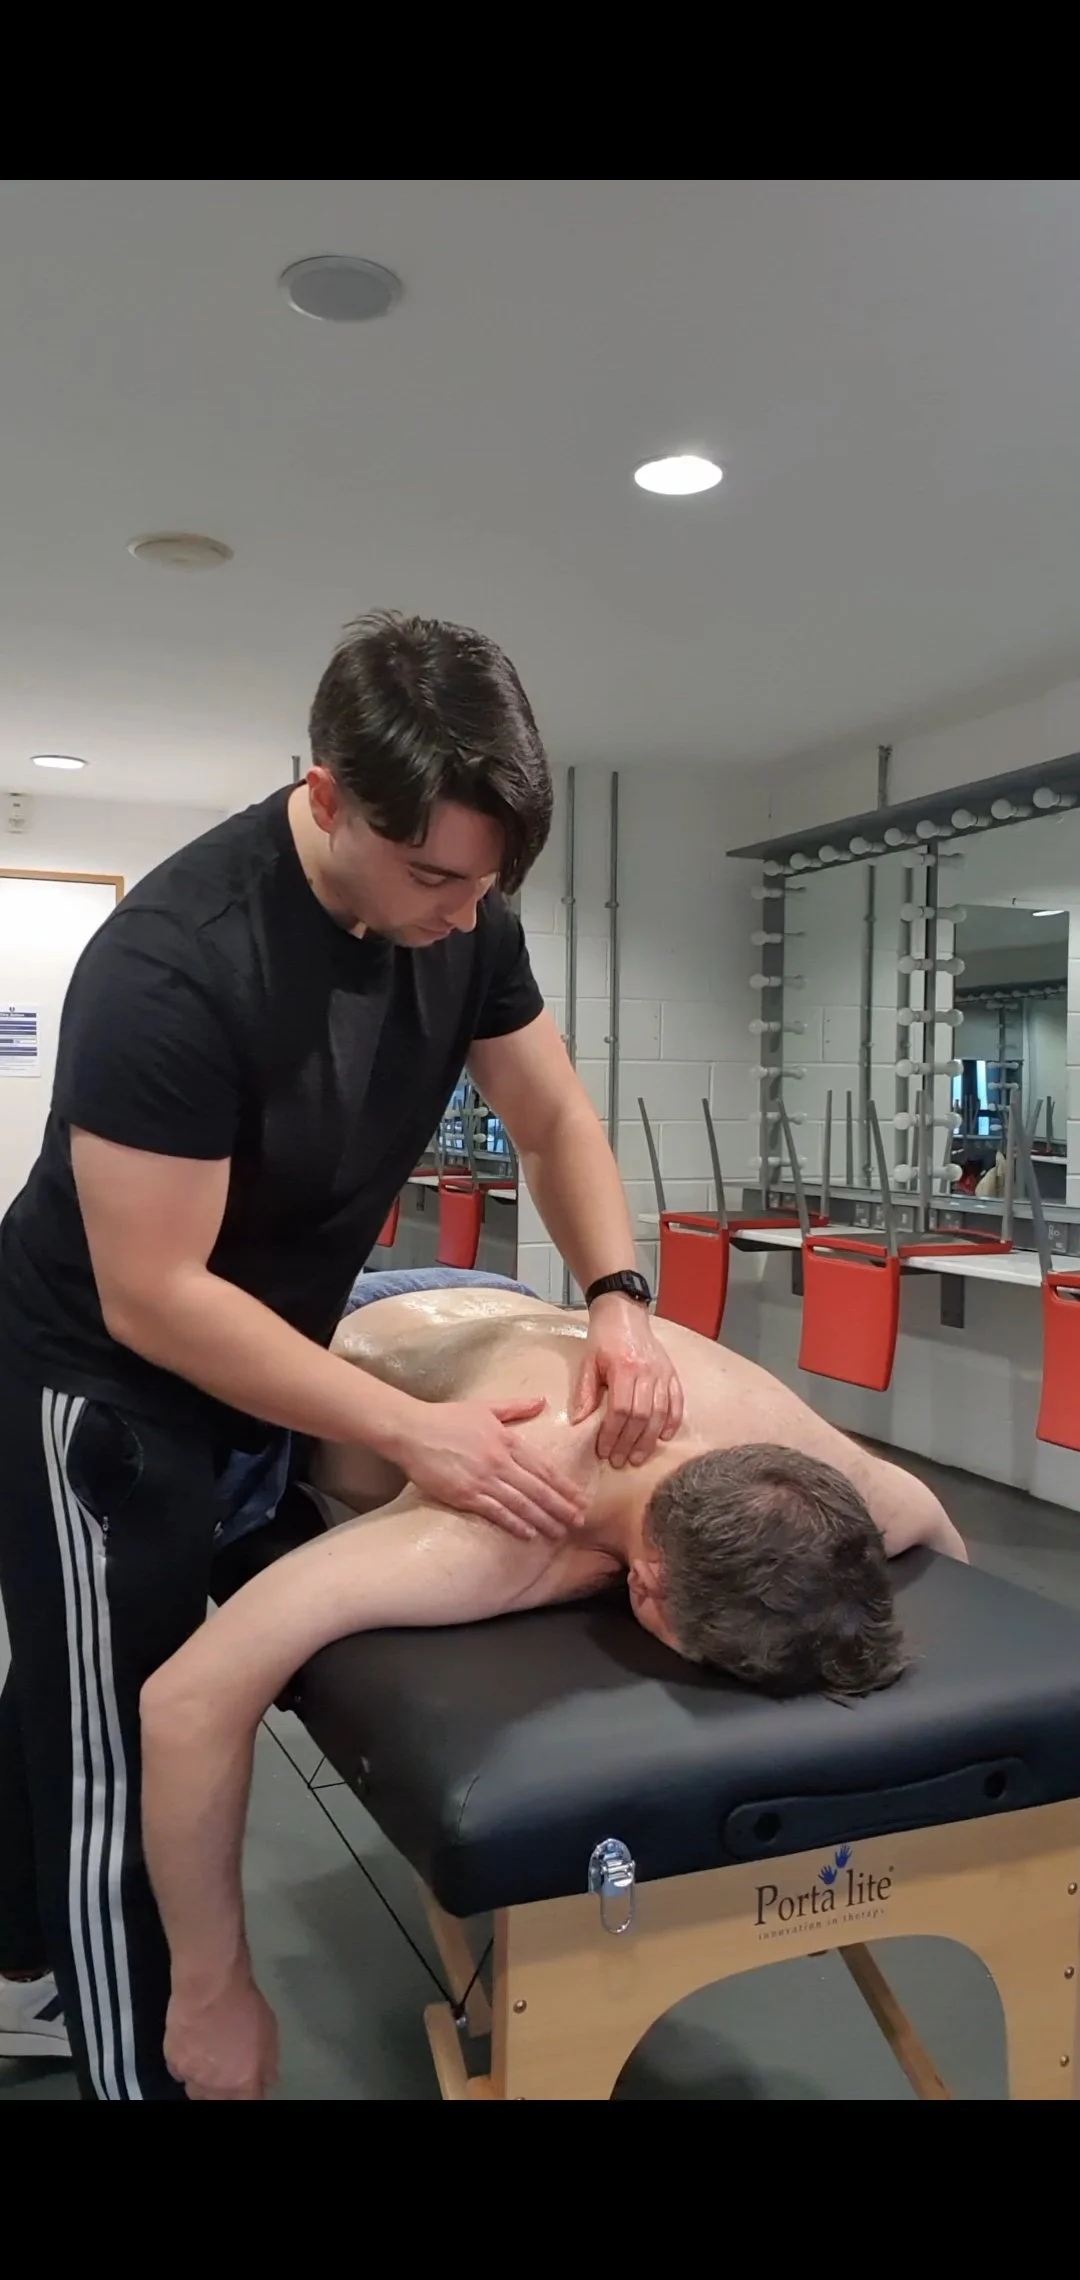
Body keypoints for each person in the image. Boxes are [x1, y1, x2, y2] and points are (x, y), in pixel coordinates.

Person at [0, 612, 682, 2099]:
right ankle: (159, 2055)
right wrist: (417, 1431)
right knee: (114, 1743)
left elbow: (557, 1116)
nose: (463, 910)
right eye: (434, 873)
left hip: (269, 1353)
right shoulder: (175, 963)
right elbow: (159, 1298)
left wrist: (621, 1293)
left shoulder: (467, 919)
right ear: (326, 795)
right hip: (100, 1384)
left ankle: (12, 1957)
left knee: (64, 1696)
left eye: (488, 881)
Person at [139, 1272, 967, 2101]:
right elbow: (186, 1701)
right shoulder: (489, 1539)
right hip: (344, 1325)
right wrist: (211, 1994)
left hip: (511, 1307)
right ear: (644, 1589)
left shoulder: (797, 1460)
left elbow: (928, 1521)